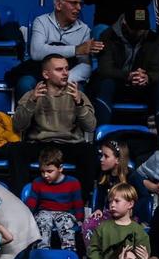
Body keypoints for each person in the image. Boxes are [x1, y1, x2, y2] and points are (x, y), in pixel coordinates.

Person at [10, 54, 98, 195]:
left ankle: (82, 202)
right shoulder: (32, 94)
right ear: (46, 74)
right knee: (16, 150)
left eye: (66, 69)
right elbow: (18, 126)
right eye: (59, 69)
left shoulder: (77, 94)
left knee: (90, 152)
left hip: (69, 144)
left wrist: (79, 104)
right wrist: (32, 102)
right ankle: (21, 201)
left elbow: (91, 126)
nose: (65, 73)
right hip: (41, 144)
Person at [92, 8, 159, 133]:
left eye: (143, 28)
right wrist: (128, 76)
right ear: (124, 23)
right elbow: (105, 69)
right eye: (135, 28)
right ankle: (101, 136)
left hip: (142, 87)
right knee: (105, 84)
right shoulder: (108, 35)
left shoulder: (153, 38)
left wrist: (147, 77)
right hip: (117, 85)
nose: (140, 32)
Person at [23, 0, 102, 93]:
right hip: (39, 70)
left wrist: (64, 78)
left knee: (79, 91)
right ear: (59, 5)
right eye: (74, 3)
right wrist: (76, 49)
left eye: (80, 4)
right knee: (24, 84)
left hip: (68, 73)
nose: (78, 8)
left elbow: (85, 66)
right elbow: (37, 52)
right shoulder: (41, 21)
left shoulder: (84, 30)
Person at [86, 182, 151, 259]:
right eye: (110, 201)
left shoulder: (138, 231)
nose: (112, 205)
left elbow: (142, 257)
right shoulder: (102, 227)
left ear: (130, 204)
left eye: (117, 201)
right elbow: (94, 251)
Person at [25, 146, 84, 251]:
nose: (45, 175)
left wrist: (79, 219)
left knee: (65, 222)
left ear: (60, 168)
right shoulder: (37, 182)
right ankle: (42, 251)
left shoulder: (73, 182)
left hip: (65, 213)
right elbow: (32, 203)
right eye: (42, 171)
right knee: (42, 221)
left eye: (49, 171)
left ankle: (68, 251)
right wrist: (26, 217)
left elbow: (78, 204)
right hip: (45, 212)